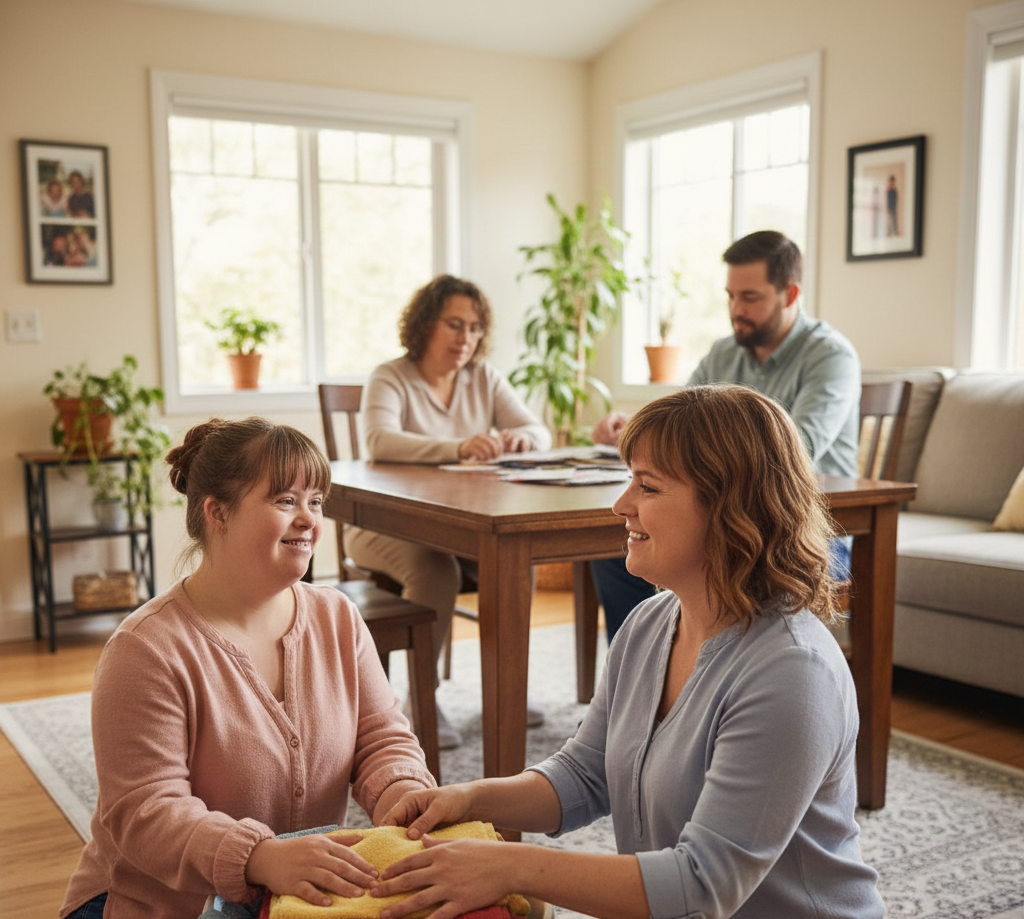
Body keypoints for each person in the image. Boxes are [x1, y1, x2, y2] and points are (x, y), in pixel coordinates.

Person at [369, 385, 885, 919]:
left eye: (648, 487)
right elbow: (586, 774)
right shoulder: (650, 623)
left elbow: (702, 885)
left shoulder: (792, 673)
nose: (621, 504)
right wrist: (469, 798)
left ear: (729, 507)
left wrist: (509, 864)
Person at [60, 418, 435, 919]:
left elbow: (381, 739)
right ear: (218, 513)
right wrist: (259, 858)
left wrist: (400, 790)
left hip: (287, 903)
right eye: (285, 501)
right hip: (154, 905)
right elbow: (147, 812)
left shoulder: (338, 617)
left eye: (316, 501)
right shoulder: (145, 649)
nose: (308, 519)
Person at [591, 230, 861, 642]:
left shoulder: (830, 356)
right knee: (617, 551)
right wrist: (636, 429)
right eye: (730, 296)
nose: (736, 309)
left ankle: (722, 675)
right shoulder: (723, 353)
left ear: (789, 295)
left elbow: (797, 451)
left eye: (749, 297)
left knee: (729, 555)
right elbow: (677, 427)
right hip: (722, 509)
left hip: (806, 527)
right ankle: (643, 670)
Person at [346, 274, 552, 749]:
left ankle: (508, 687)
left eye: (476, 327)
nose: (467, 338)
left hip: (462, 524)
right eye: (455, 325)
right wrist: (457, 446)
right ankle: (423, 697)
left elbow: (536, 429)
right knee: (433, 569)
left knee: (518, 556)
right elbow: (378, 440)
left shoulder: (484, 377)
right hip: (383, 526)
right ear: (425, 325)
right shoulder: (391, 376)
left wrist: (524, 438)